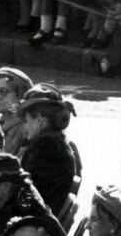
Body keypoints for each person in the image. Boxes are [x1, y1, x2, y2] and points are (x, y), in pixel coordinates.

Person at [17, 84, 79, 217]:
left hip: (32, 220)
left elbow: (28, 195)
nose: (25, 128)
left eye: (26, 121)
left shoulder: (45, 146)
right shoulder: (57, 142)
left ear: (39, 119)